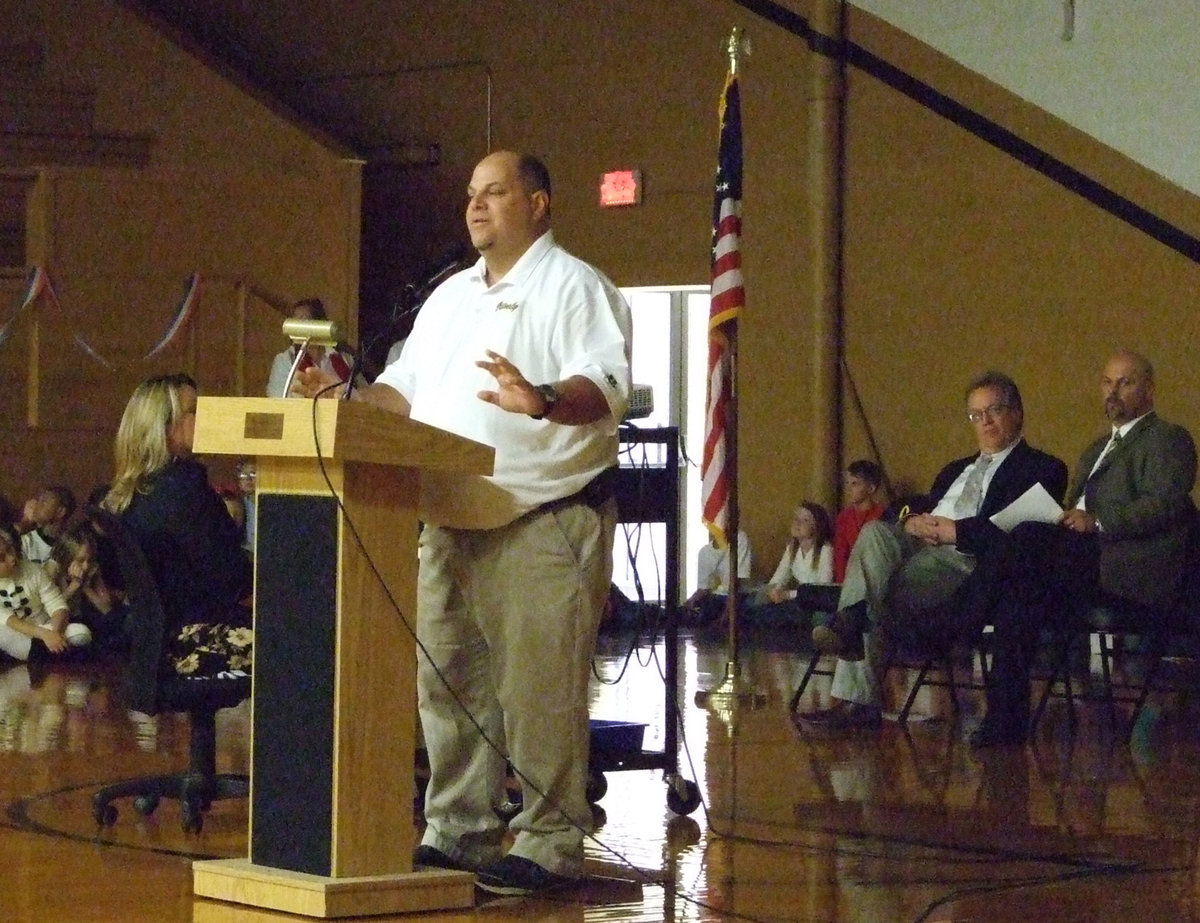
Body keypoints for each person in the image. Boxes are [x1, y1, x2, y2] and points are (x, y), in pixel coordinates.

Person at [296, 150, 632, 895]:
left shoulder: (575, 285)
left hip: (539, 517)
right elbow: (402, 393)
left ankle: (549, 841)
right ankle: (460, 828)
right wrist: (343, 399)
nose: (476, 205)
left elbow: (605, 384)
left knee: (540, 691)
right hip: (447, 519)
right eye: (472, 194)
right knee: (446, 684)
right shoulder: (448, 297)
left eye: (495, 192)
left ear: (538, 204)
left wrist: (542, 398)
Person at [799, 371, 1068, 731]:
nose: (985, 421)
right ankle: (855, 617)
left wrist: (956, 531)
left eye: (994, 410)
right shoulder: (955, 469)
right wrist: (911, 522)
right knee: (876, 532)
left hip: (965, 561)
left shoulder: (1044, 468)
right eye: (976, 414)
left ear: (1017, 412)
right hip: (916, 545)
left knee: (873, 591)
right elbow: (918, 506)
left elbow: (1019, 533)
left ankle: (855, 667)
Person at [969, 350, 1197, 746]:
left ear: (1149, 390)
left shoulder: (1168, 439)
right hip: (1081, 563)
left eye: (1125, 382)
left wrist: (1098, 521)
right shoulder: (1096, 449)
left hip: (1127, 567)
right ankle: (1005, 720)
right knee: (1018, 591)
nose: (1113, 391)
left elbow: (1166, 504)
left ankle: (962, 616)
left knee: (1023, 542)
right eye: (1107, 382)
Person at [102, 373, 253, 678]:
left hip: (153, 643)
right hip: (196, 639)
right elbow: (230, 578)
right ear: (165, 425)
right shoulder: (183, 487)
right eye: (194, 410)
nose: (204, 418)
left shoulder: (132, 491)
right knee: (300, 639)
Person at [0, 521, 92, 662]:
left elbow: (57, 605)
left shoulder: (34, 570)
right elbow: (10, 620)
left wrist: (54, 634)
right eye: (2, 558)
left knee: (81, 633)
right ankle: (48, 654)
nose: (11, 557)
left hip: (47, 626)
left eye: (10, 550)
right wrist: (43, 635)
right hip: (17, 634)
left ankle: (43, 654)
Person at [746, 503, 835, 630]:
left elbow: (821, 590)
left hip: (814, 603)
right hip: (798, 600)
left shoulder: (825, 550)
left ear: (817, 526)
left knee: (817, 616)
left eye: (805, 520)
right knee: (751, 603)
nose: (797, 523)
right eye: (796, 518)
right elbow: (779, 579)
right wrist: (772, 592)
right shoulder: (792, 549)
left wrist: (788, 595)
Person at [45, 520, 129, 654]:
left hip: (85, 617)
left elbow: (106, 607)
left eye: (89, 560)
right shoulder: (53, 569)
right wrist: (73, 586)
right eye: (80, 560)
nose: (86, 565)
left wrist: (85, 586)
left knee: (119, 619)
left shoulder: (91, 566)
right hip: (61, 624)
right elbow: (48, 611)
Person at [265, 297, 360, 398]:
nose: (298, 326)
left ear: (319, 322)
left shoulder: (344, 358)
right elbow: (277, 398)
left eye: (303, 319)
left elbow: (363, 393)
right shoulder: (285, 360)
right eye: (295, 321)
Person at [683, 529, 753, 625]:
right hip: (717, 597)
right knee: (694, 613)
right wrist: (690, 602)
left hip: (740, 595)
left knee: (746, 611)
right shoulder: (705, 552)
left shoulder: (740, 538)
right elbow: (704, 588)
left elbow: (736, 584)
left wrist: (726, 615)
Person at [833, 460, 886, 583]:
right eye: (847, 483)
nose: (849, 488)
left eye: (855, 484)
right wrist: (842, 583)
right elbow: (840, 553)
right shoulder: (844, 517)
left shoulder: (883, 515)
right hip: (850, 578)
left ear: (871, 488)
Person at [17, 485, 76, 564]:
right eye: (39, 500)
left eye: (44, 502)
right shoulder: (26, 541)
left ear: (60, 512)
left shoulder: (69, 549)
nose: (37, 505)